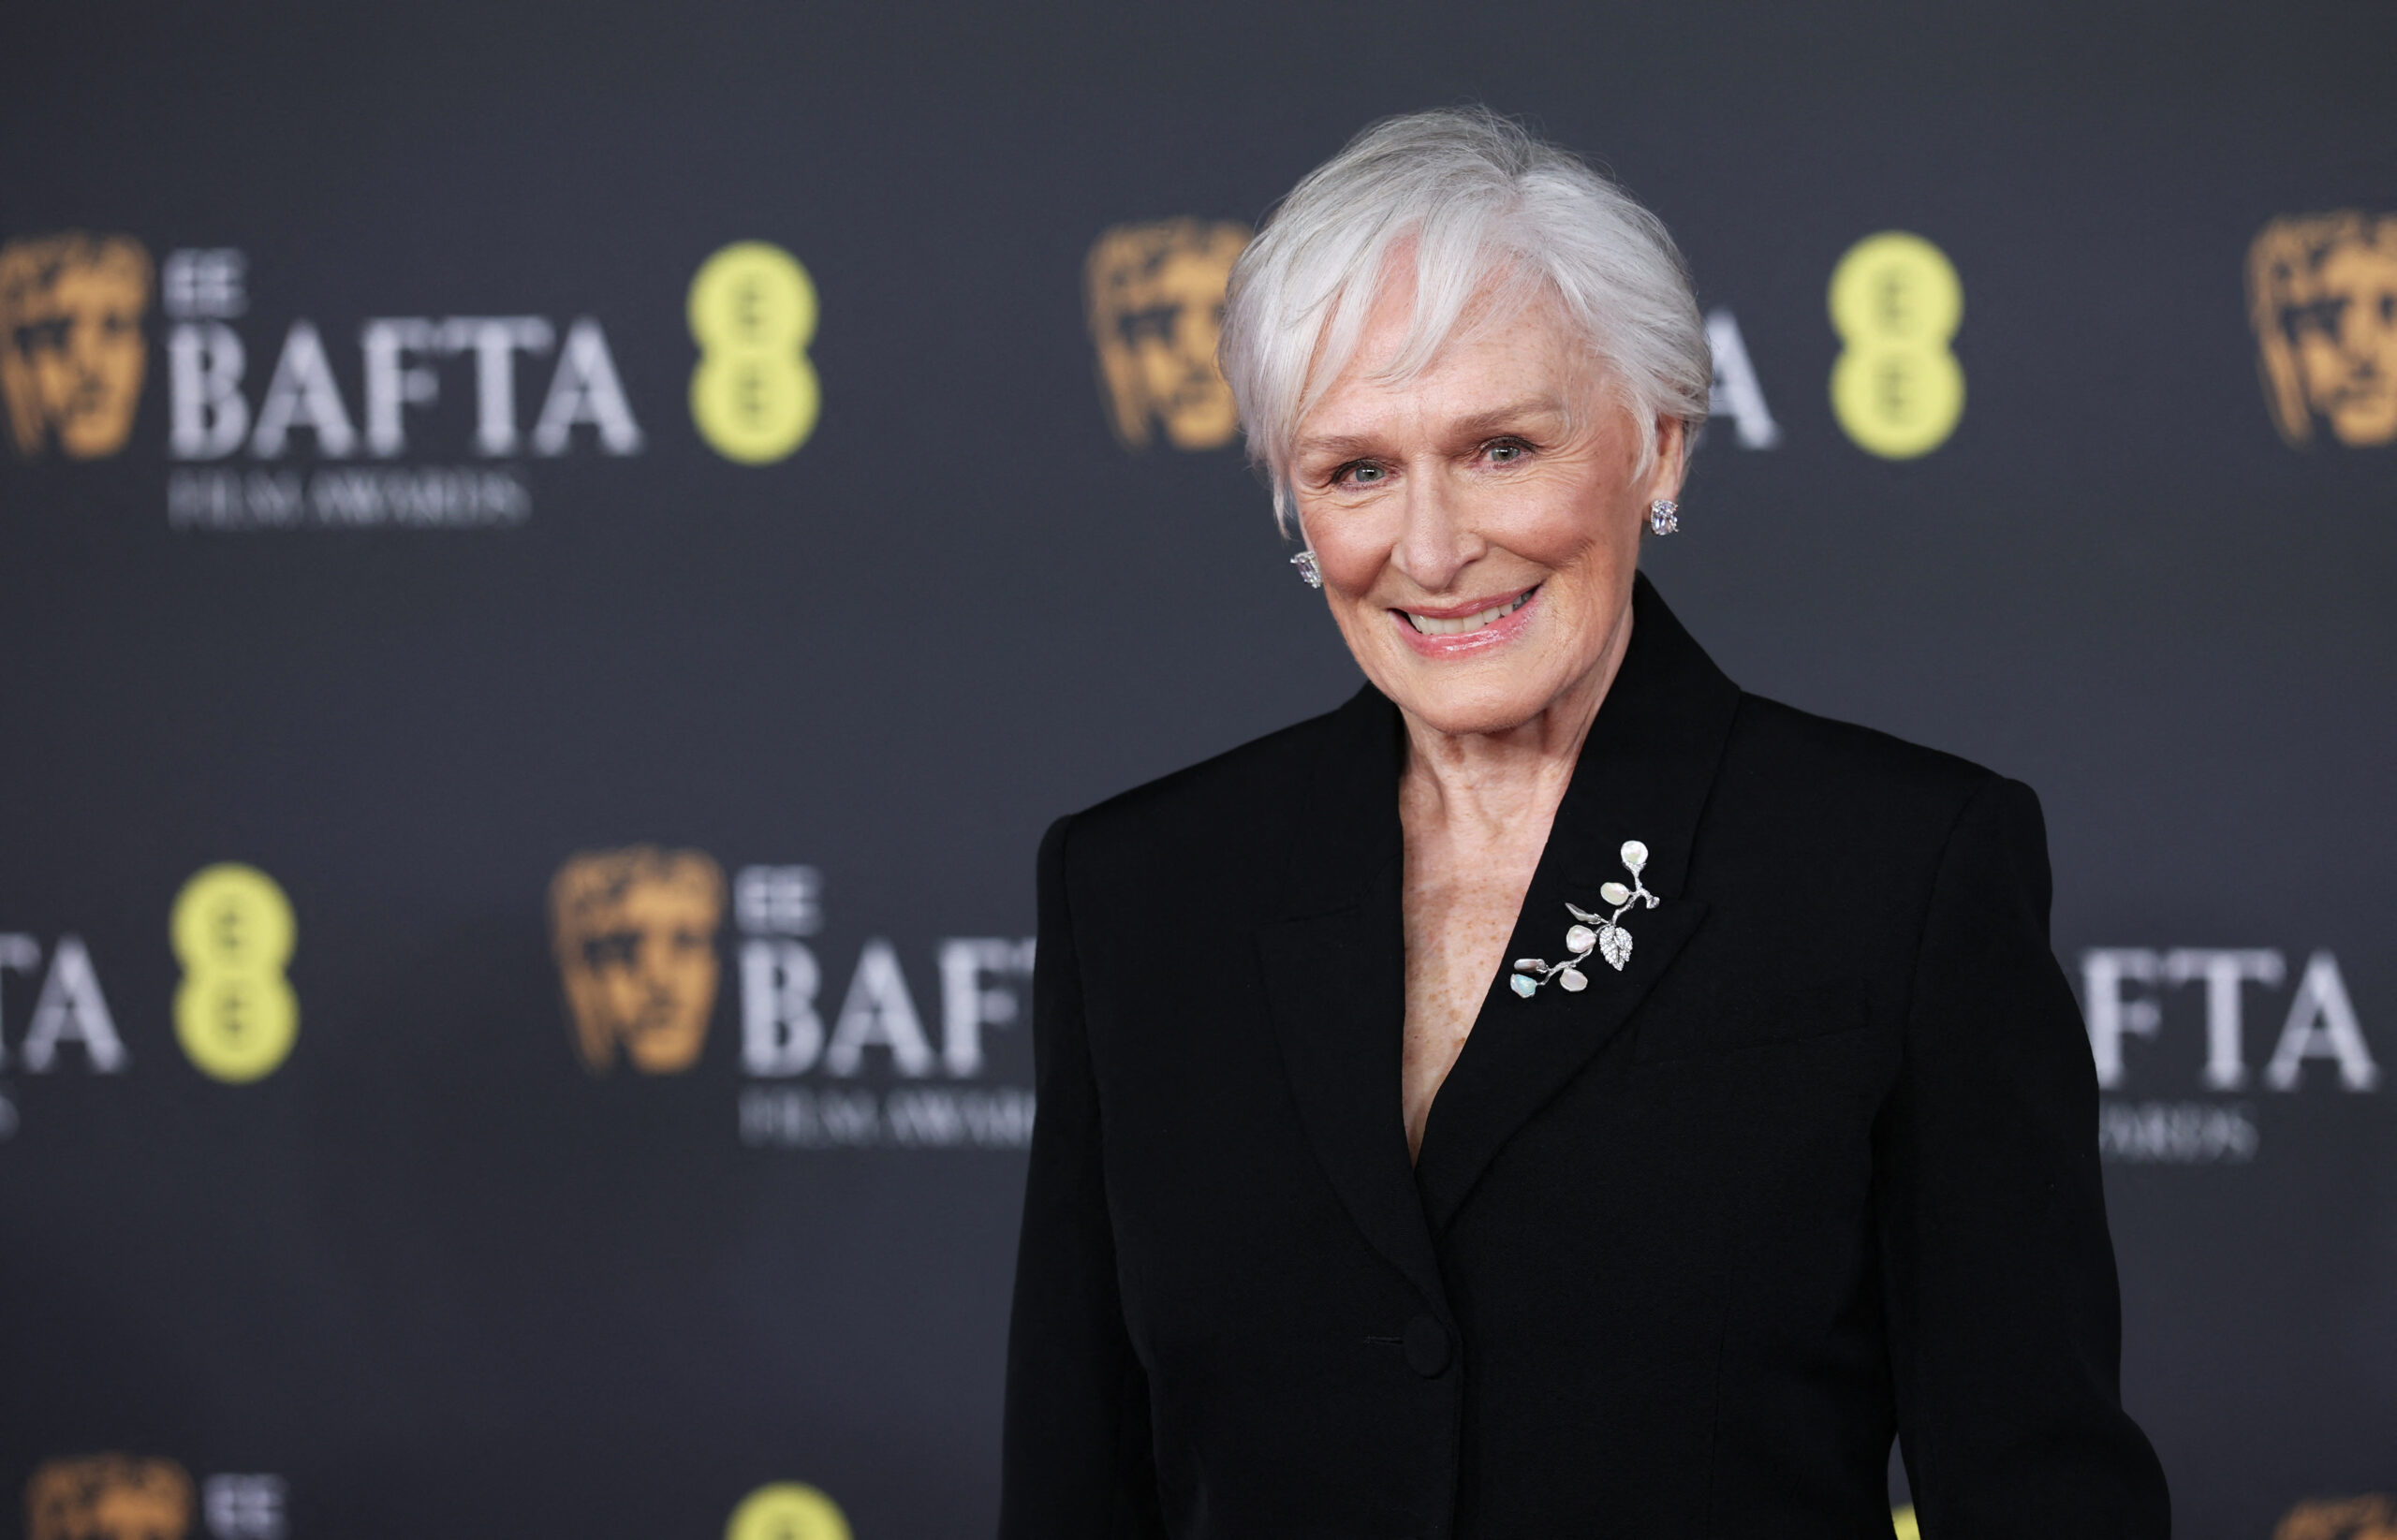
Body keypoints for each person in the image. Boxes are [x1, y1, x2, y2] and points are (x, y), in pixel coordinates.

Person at [1000, 108, 2169, 1537]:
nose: (1430, 548)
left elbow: (2040, 1492)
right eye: (1356, 469)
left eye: (1500, 448)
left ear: (1659, 447)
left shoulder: (1898, 871)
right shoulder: (1142, 891)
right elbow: (1073, 1487)